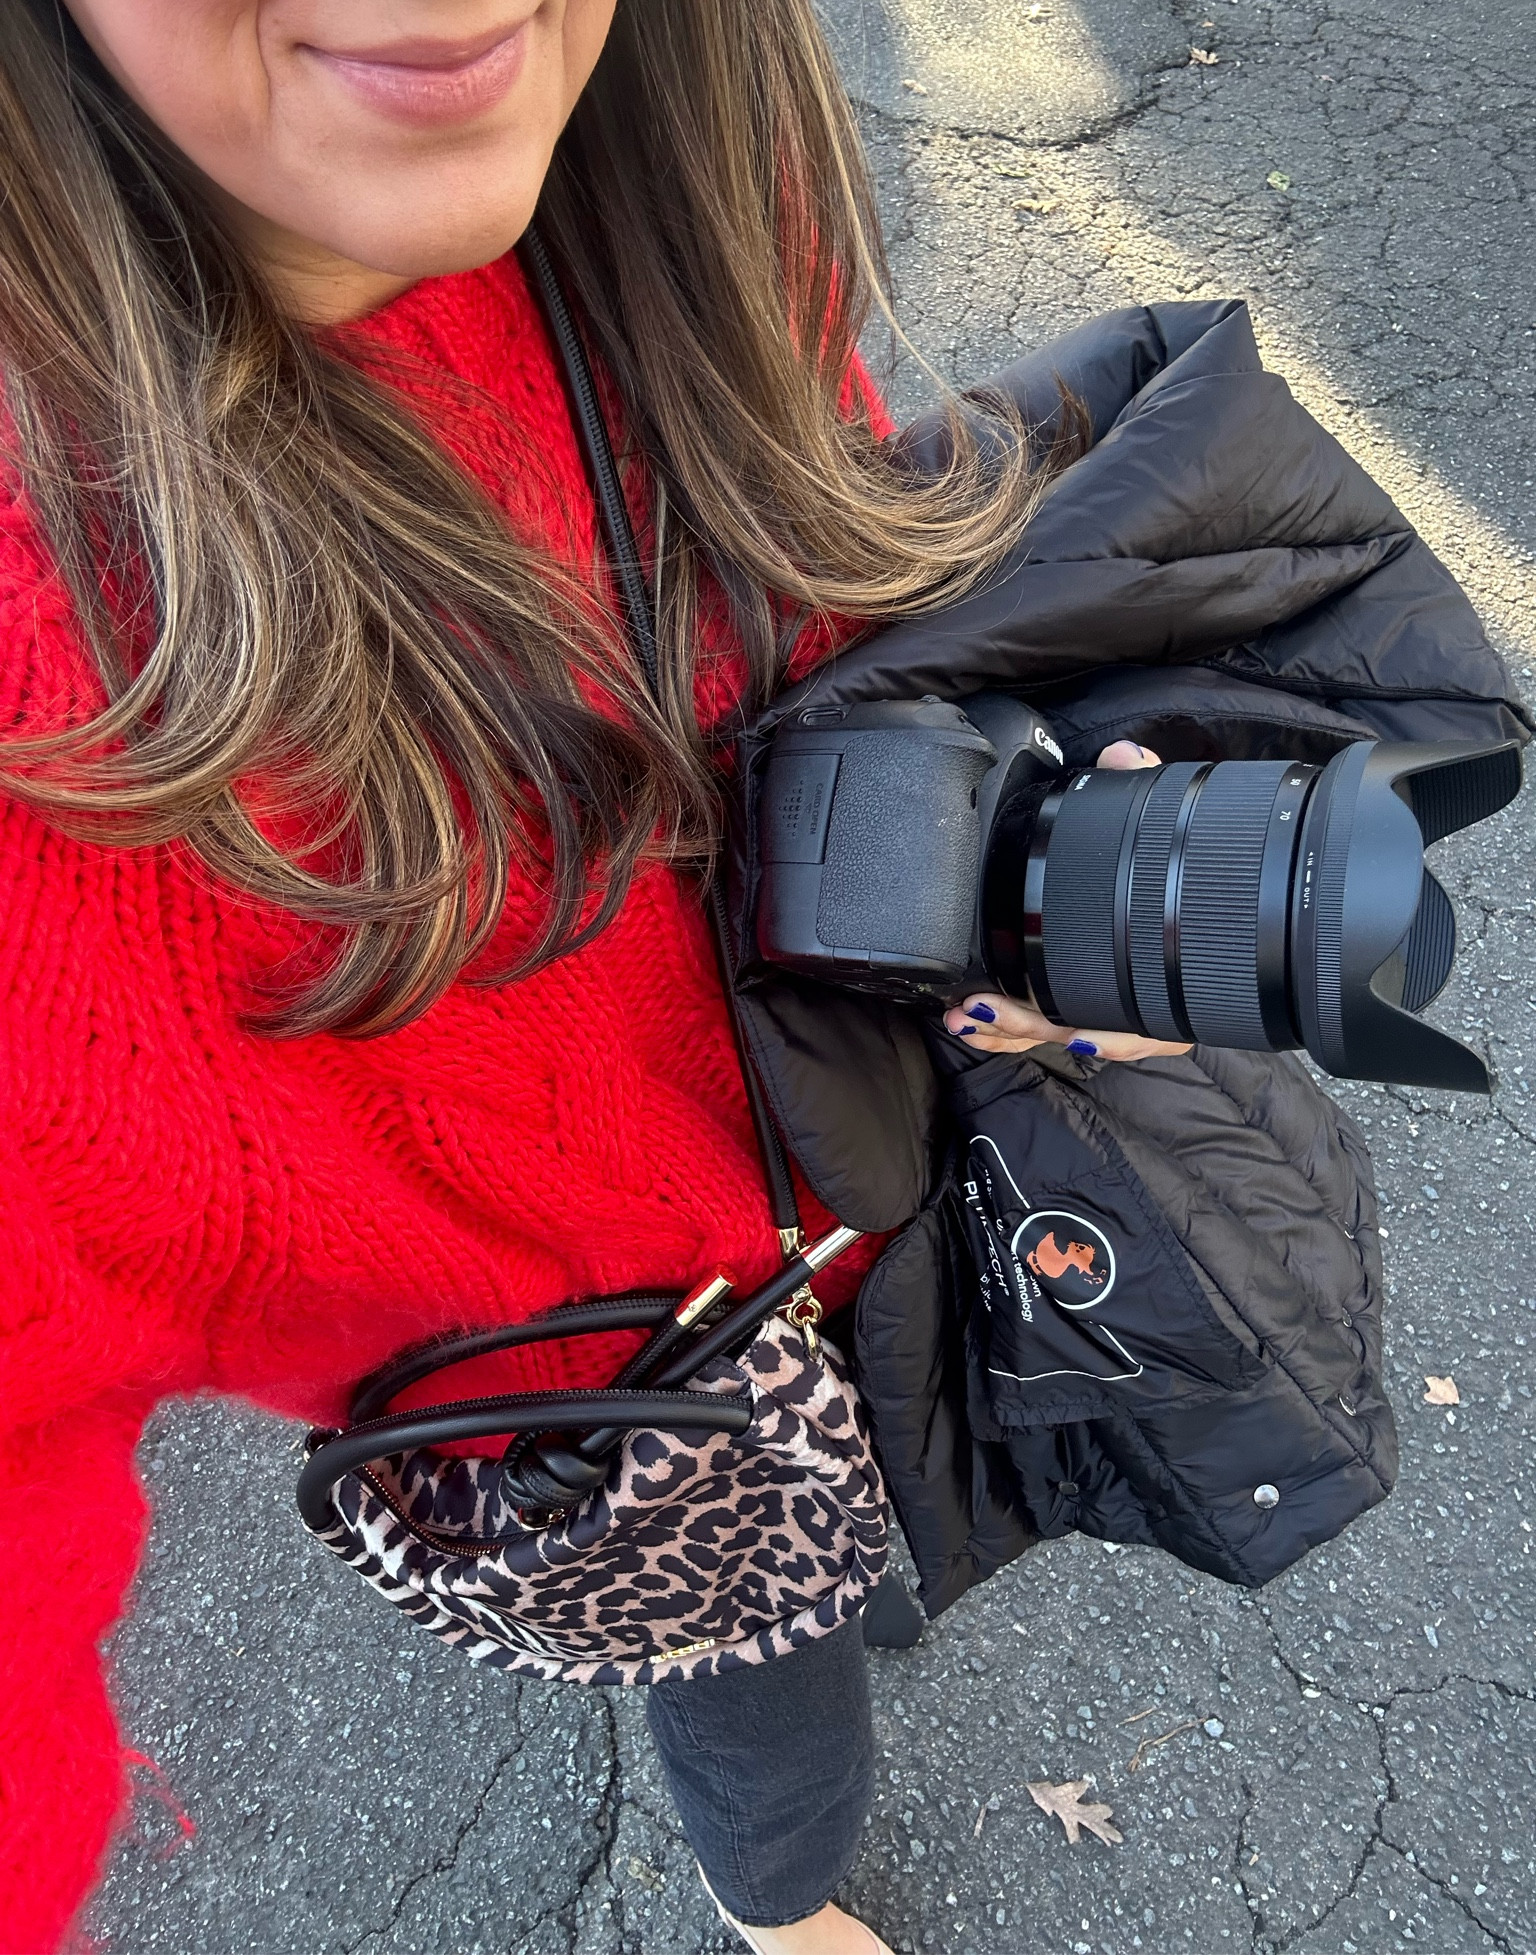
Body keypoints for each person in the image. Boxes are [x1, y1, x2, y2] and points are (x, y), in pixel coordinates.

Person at [0, 4, 1187, 1950]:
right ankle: (775, 1898)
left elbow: (809, 550)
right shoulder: (53, 790)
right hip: (642, 1406)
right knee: (761, 1679)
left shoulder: (654, 144)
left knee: (910, 1487)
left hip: (889, 1159)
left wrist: (1024, 840)